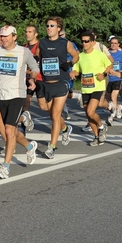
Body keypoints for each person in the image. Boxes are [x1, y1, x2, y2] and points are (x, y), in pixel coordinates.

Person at [0, 25, 39, 179]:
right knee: (11, 130)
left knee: (8, 130)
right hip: (1, 95)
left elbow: (34, 68)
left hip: (17, 95)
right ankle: (29, 145)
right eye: (1, 36)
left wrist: (32, 78)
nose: (3, 39)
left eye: (6, 36)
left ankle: (5, 167)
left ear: (14, 36)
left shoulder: (24, 52)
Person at [36, 17, 79, 159]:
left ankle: (52, 147)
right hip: (46, 83)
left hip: (61, 82)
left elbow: (76, 55)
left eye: (52, 25)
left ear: (58, 28)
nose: (48, 28)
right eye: (47, 25)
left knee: (55, 115)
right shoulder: (41, 43)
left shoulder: (65, 43)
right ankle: (65, 129)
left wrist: (70, 63)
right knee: (46, 109)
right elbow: (37, 57)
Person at [71, 31, 111, 146]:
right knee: (89, 116)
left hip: (97, 87)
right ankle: (97, 136)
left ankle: (102, 127)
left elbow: (109, 65)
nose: (84, 43)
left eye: (87, 41)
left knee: (90, 111)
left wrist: (104, 74)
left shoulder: (99, 54)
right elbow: (77, 69)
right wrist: (74, 72)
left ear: (93, 42)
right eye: (82, 41)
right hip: (85, 88)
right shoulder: (81, 56)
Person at [59, 29, 81, 120]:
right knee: (60, 92)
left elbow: (78, 55)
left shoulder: (70, 44)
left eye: (62, 35)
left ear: (65, 34)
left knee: (65, 92)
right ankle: (65, 112)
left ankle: (77, 96)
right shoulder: (55, 44)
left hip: (69, 70)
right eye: (59, 35)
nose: (60, 36)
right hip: (59, 71)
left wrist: (74, 69)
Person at [105, 36, 122, 125]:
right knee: (108, 99)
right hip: (108, 79)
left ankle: (111, 116)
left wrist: (121, 72)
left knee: (114, 96)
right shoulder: (106, 53)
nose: (113, 45)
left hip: (118, 78)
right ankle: (118, 108)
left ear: (118, 45)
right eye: (112, 43)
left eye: (115, 43)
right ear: (110, 44)